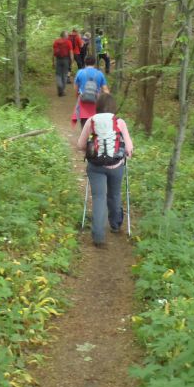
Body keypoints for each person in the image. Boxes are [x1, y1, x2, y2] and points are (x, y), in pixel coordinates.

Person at [77, 93, 133, 247]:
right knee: (114, 194)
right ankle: (115, 225)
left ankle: (98, 237)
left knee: (99, 197)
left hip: (95, 166)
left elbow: (81, 145)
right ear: (113, 107)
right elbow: (129, 148)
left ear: (98, 106)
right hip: (116, 166)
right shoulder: (119, 122)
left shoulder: (91, 121)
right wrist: (126, 154)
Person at [70, 56, 107, 127]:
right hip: (96, 102)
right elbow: (105, 89)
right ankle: (93, 136)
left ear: (85, 63)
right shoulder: (99, 74)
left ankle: (85, 136)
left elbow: (76, 87)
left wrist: (77, 96)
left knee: (84, 124)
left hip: (83, 101)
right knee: (95, 124)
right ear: (94, 63)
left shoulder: (80, 72)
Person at [52, 31, 73, 96]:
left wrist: (53, 62)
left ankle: (59, 86)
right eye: (67, 35)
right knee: (64, 75)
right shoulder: (68, 42)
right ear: (65, 36)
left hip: (58, 59)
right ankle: (62, 90)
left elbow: (53, 53)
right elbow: (71, 52)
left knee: (58, 74)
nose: (68, 36)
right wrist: (71, 61)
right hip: (66, 59)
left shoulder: (56, 42)